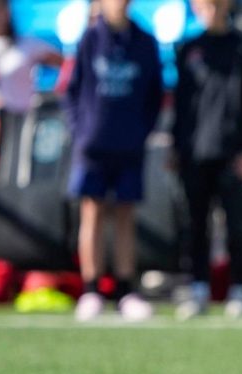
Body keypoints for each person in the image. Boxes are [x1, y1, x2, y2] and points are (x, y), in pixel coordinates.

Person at [66, 0, 162, 322]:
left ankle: (124, 288)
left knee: (125, 214)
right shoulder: (89, 39)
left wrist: (139, 132)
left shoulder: (145, 42)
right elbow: (72, 91)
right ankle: (91, 288)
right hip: (92, 147)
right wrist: (82, 132)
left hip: (129, 147)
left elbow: (154, 94)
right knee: (91, 212)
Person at [172, 0, 242, 320]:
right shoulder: (188, 50)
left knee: (236, 223)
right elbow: (182, 106)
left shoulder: (241, 49)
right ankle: (196, 287)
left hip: (230, 152)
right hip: (195, 152)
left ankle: (239, 288)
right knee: (195, 224)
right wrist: (176, 147)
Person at [0, 0, 63, 174]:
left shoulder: (26, 45)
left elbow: (67, 66)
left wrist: (58, 92)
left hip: (18, 123)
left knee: (12, 176)